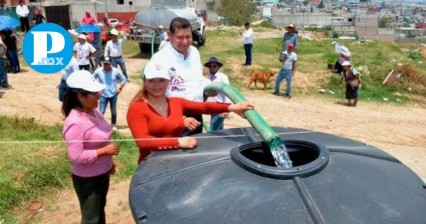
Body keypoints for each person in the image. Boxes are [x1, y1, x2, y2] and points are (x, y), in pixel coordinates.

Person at [127, 65, 254, 164]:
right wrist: (178, 142)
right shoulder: (137, 108)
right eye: (151, 81)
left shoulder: (175, 102)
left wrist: (231, 107)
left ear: (168, 81)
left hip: (175, 160)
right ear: (144, 81)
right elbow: (143, 141)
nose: (157, 85)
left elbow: (203, 107)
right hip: (150, 164)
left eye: (161, 80)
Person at [62, 70, 120, 224]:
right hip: (88, 179)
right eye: (94, 94)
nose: (99, 95)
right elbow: (76, 157)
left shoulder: (94, 112)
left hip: (103, 173)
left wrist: (110, 162)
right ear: (80, 97)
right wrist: (105, 151)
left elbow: (102, 137)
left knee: (100, 210)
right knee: (91, 218)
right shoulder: (75, 122)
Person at [143, 17, 210, 136]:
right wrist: (181, 119)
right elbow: (154, 95)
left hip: (195, 113)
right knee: (175, 152)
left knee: (196, 149)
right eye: (180, 37)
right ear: (170, 35)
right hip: (173, 117)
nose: (185, 42)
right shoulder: (160, 59)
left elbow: (196, 78)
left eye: (188, 37)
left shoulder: (194, 52)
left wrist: (209, 88)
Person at [93, 57, 127, 130]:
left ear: (110, 64)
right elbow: (92, 79)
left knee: (113, 111)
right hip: (103, 94)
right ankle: (98, 124)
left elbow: (124, 79)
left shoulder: (116, 71)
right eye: (104, 64)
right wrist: (96, 88)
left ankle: (113, 124)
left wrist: (120, 88)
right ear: (102, 63)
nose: (106, 65)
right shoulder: (98, 71)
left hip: (113, 94)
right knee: (101, 111)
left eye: (107, 64)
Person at [204, 56, 231, 132]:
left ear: (218, 67)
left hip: (219, 106)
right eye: (210, 66)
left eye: (214, 66)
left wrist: (226, 108)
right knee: (219, 130)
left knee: (212, 130)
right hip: (210, 107)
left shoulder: (222, 77)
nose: (212, 68)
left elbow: (227, 92)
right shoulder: (207, 78)